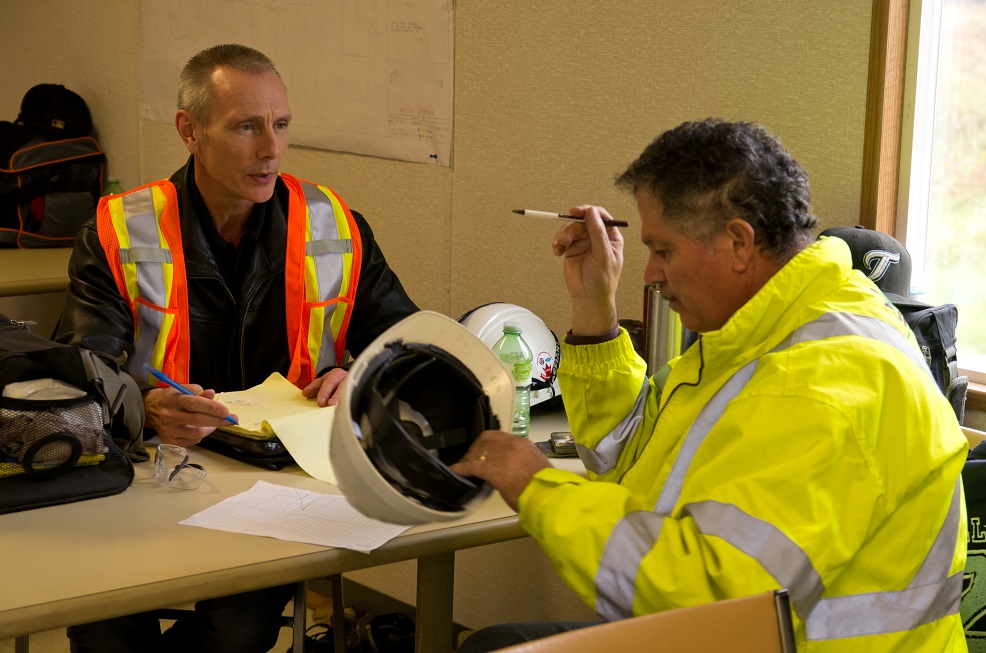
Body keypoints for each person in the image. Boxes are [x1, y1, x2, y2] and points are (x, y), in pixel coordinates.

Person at [451, 119, 968, 652]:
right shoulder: (770, 328)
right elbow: (627, 457)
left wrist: (541, 489)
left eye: (664, 250)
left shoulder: (819, 383)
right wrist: (594, 313)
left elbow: (709, 600)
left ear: (739, 242)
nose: (649, 273)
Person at [55, 44, 418, 653]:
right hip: (149, 474)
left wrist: (364, 374)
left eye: (280, 125)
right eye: (246, 126)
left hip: (276, 488)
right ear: (189, 131)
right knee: (105, 622)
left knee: (238, 631)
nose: (270, 148)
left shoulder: (333, 225)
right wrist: (146, 406)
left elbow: (408, 344)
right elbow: (79, 374)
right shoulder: (120, 231)